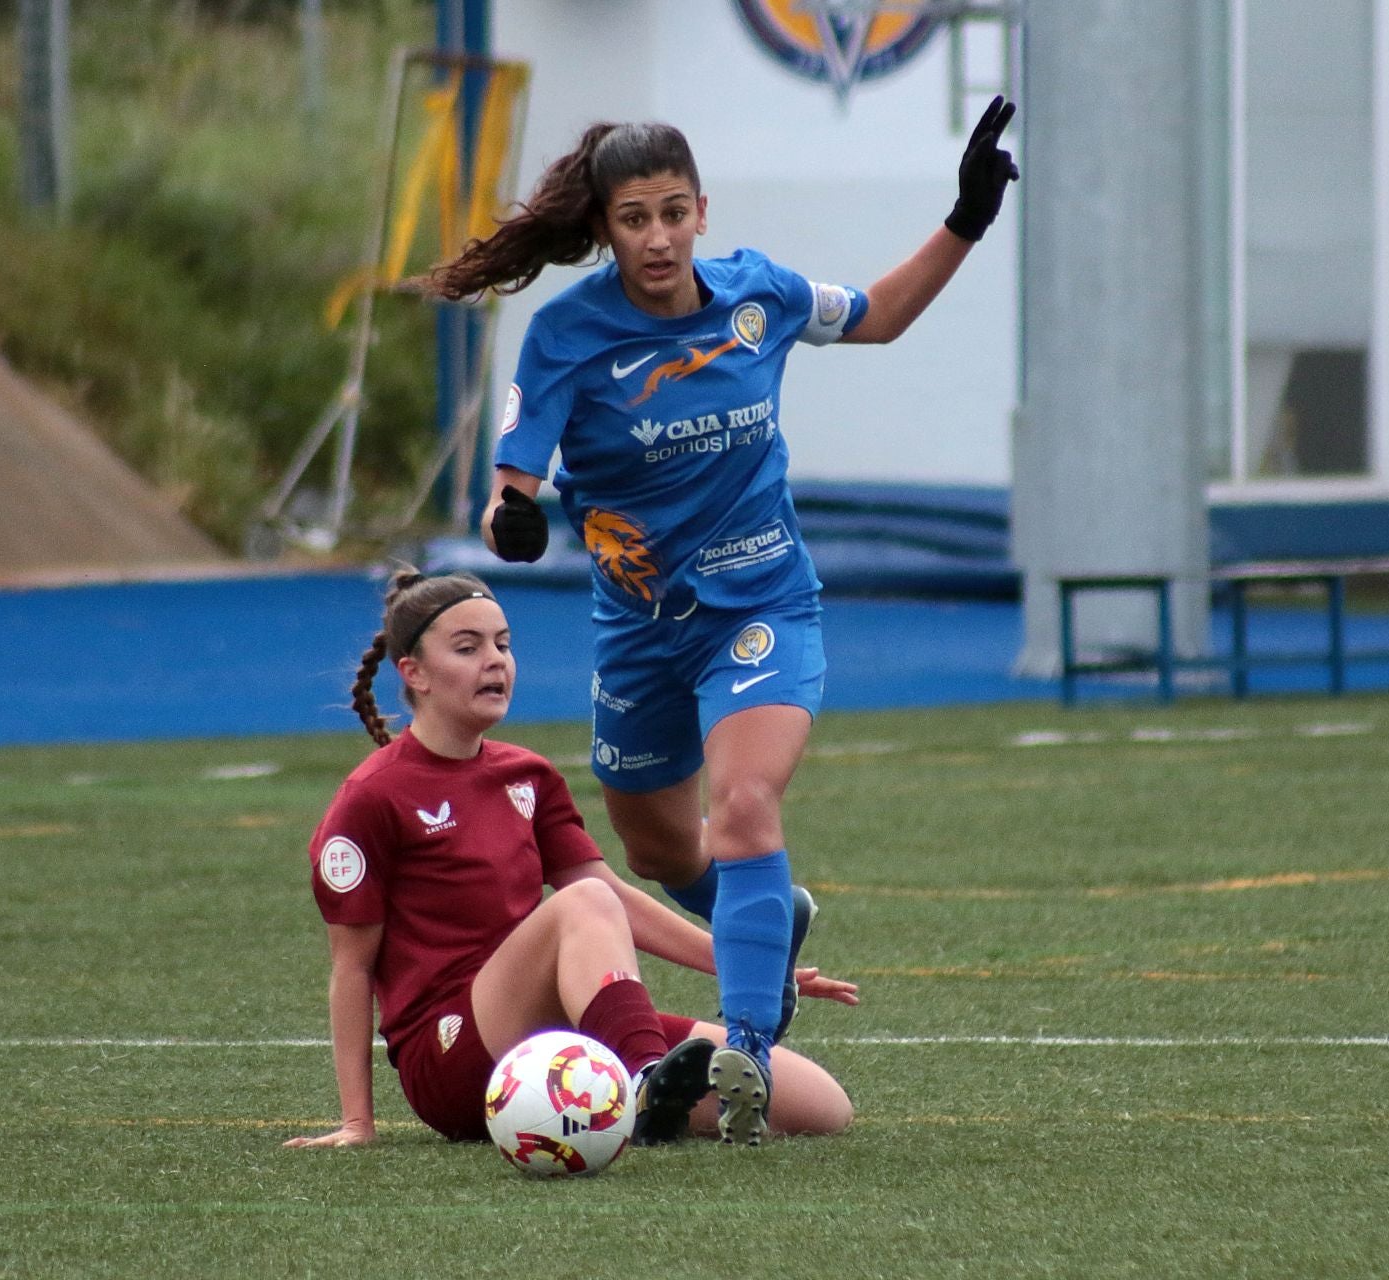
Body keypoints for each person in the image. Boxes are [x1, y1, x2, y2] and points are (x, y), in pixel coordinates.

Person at [420, 100, 1018, 1134]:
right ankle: (767, 914)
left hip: (763, 602)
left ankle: (741, 1048)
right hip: (641, 630)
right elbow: (509, 486)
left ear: (703, 211)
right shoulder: (567, 334)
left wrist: (963, 219)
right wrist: (513, 519)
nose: (656, 238)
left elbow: (878, 313)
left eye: (672, 214)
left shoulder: (759, 295)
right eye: (634, 219)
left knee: (745, 807)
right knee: (655, 846)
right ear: (605, 228)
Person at [285, 568, 857, 1151]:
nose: (495, 661)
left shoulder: (528, 775)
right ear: (414, 673)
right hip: (452, 1057)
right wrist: (358, 1122)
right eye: (468, 647)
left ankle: (645, 1087)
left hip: (556, 1028)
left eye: (503, 644)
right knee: (583, 901)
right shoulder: (371, 797)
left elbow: (610, 893)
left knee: (818, 1103)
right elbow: (351, 969)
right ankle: (640, 1080)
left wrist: (741, 961)